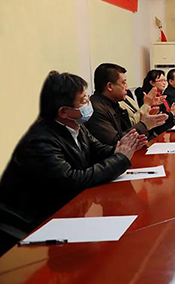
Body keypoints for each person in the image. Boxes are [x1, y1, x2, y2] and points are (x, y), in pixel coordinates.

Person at [0, 71, 146, 254]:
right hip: (34, 222)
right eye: (83, 101)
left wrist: (124, 148)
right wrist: (120, 158)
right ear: (63, 111)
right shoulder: (40, 140)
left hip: (67, 210)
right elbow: (72, 180)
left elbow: (99, 151)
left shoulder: (77, 126)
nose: (89, 104)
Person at [86, 63, 168, 145]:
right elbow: (116, 142)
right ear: (109, 86)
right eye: (123, 83)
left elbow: (128, 129)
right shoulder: (96, 109)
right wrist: (144, 125)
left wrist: (148, 122)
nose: (127, 88)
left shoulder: (114, 103)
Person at [136, 70, 175, 134]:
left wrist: (171, 111)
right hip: (158, 131)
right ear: (152, 83)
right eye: (161, 81)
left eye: (164, 80)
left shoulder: (160, 95)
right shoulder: (149, 98)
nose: (164, 83)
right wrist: (172, 113)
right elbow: (159, 117)